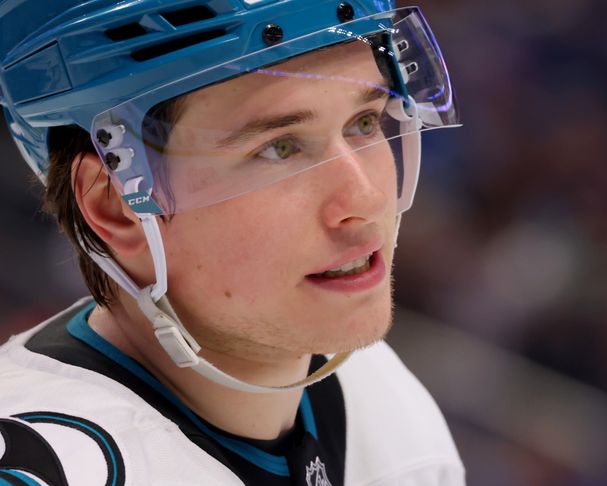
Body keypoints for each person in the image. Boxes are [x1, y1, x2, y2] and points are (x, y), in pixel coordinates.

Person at [0, 1, 463, 484]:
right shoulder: (52, 467)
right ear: (116, 205)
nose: (365, 199)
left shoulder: (383, 400)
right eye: (280, 148)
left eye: (365, 122)